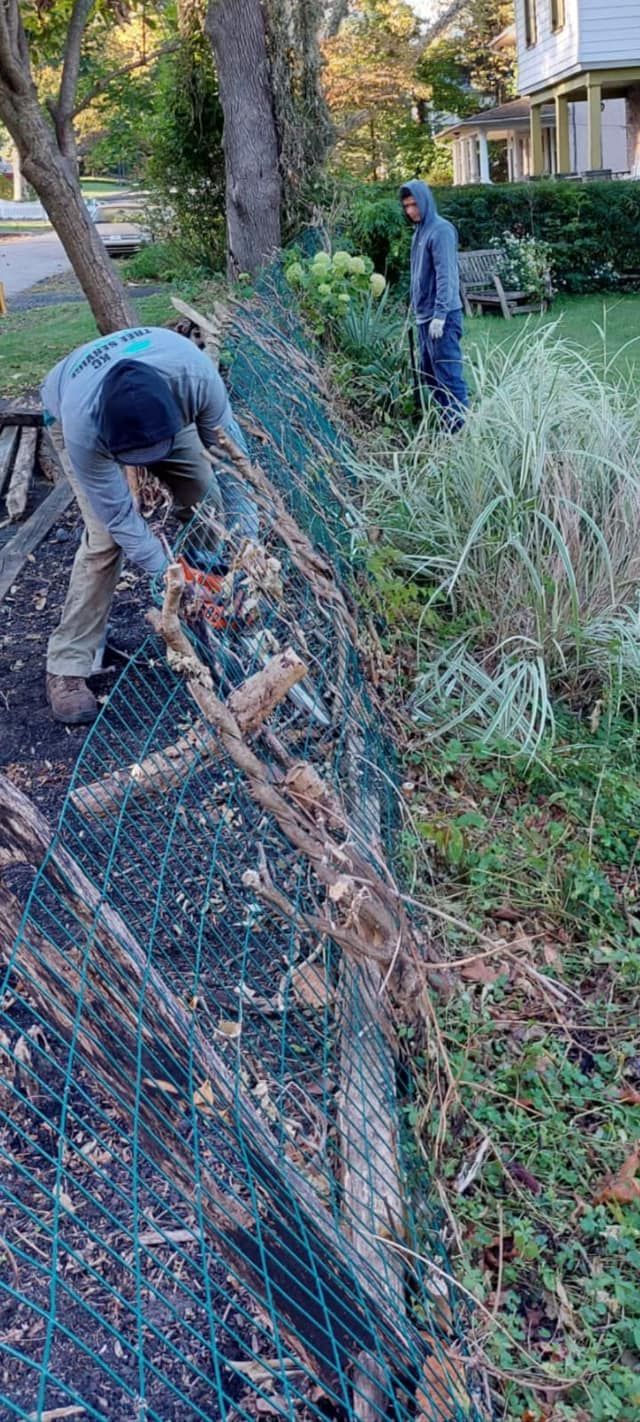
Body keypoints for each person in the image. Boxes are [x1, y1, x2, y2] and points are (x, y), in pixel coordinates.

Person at [42, 325, 258, 725]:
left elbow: (235, 468)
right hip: (72, 397)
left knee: (205, 496)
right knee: (105, 539)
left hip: (163, 408)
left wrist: (248, 549)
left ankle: (205, 603)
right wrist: (169, 577)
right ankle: (68, 665)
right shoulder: (82, 426)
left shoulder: (195, 379)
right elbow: (122, 518)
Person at [400, 180, 468, 430]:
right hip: (425, 318)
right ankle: (447, 427)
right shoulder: (420, 232)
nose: (410, 211)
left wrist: (440, 314)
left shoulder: (441, 231)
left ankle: (460, 433)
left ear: (425, 201)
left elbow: (446, 275)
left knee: (449, 378)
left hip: (443, 319)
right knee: (431, 377)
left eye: (414, 204)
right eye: (406, 206)